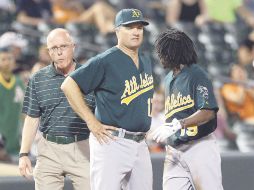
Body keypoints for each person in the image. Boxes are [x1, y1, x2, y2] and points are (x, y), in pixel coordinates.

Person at [61, 8, 154, 190]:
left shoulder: (146, 59)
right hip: (112, 142)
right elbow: (68, 85)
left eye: (139, 27)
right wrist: (91, 121)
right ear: (117, 30)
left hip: (140, 143)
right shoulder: (106, 60)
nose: (136, 32)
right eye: (129, 27)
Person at [18, 28, 95, 190]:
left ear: (73, 47)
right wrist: (23, 154)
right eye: (54, 48)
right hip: (49, 150)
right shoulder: (38, 79)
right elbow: (32, 118)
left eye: (64, 47)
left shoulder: (90, 76)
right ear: (48, 52)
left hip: (83, 147)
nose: (59, 52)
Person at [151, 28, 223, 190]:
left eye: (162, 51)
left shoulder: (197, 75)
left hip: (199, 146)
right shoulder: (168, 78)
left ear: (173, 52)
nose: (159, 55)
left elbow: (208, 111)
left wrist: (179, 124)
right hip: (175, 150)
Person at [0, 47, 25, 157]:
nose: (7, 62)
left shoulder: (19, 82)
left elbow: (24, 109)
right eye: (3, 59)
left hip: (15, 143)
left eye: (10, 59)